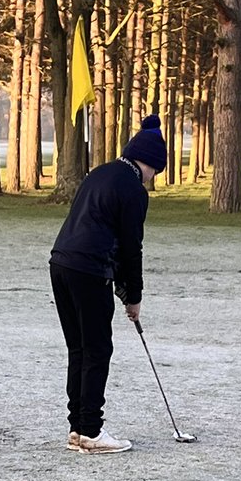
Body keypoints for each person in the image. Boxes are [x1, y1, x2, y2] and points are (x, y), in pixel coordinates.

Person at [49, 115, 167, 455]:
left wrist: (122, 287)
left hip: (60, 264)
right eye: (154, 172)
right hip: (88, 270)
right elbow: (131, 246)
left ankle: (77, 427)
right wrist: (135, 296)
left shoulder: (99, 173)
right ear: (149, 164)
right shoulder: (133, 189)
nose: (151, 180)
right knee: (98, 349)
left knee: (80, 349)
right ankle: (91, 430)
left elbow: (97, 229)